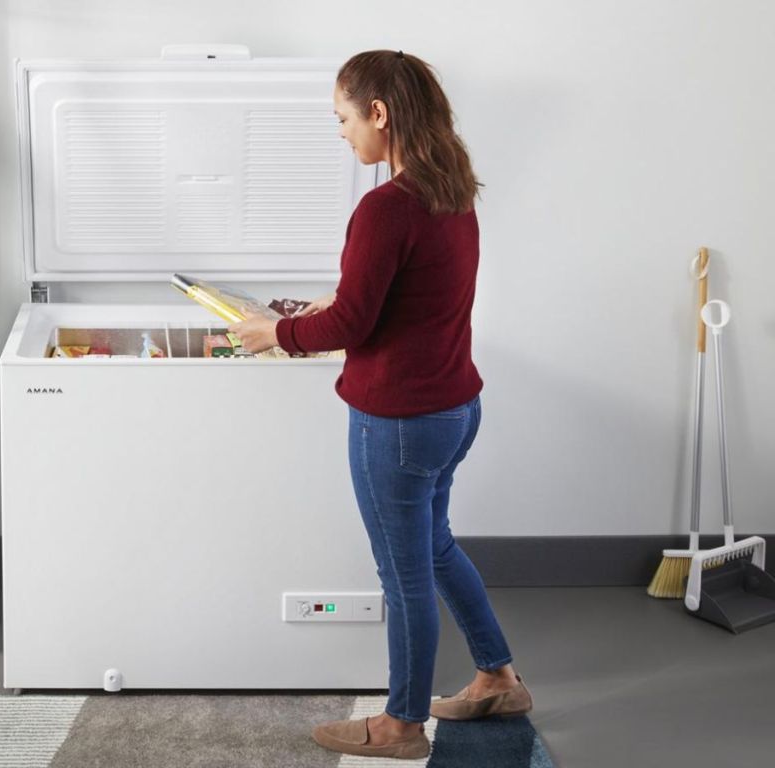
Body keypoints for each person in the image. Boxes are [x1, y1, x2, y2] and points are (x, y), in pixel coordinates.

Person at [229, 49, 532, 760]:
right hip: (455, 407)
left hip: (397, 423)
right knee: (434, 547)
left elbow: (349, 328)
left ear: (379, 114)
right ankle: (497, 675)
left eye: (343, 117)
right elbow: (408, 299)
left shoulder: (384, 207)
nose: (341, 132)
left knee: (403, 576)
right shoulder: (451, 191)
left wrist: (275, 332)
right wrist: (333, 304)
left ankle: (401, 725)